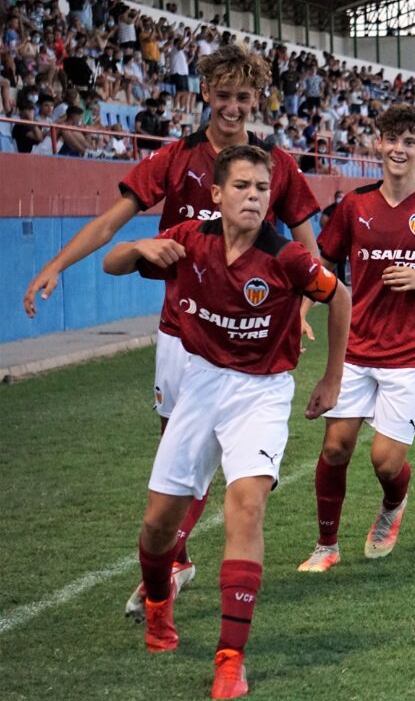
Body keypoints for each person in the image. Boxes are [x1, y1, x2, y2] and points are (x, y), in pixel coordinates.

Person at [22, 42, 323, 621]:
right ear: (205, 93)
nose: (233, 107)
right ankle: (176, 561)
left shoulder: (274, 165)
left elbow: (306, 244)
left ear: (256, 99)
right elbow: (114, 222)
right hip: (179, 333)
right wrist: (56, 266)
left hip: (248, 345)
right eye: (224, 95)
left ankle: (172, 562)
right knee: (175, 452)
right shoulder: (176, 157)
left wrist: (306, 305)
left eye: (243, 97)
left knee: (214, 460)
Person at [102, 144, 351, 699]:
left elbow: (339, 298)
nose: (254, 196)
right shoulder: (190, 243)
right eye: (241, 186)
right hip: (201, 383)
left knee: (246, 507)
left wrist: (332, 379)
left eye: (262, 188)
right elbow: (111, 264)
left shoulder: (286, 257)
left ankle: (230, 661)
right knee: (159, 524)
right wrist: (140, 245)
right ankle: (159, 604)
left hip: (261, 393)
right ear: (215, 194)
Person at [296, 103, 415, 572]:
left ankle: (393, 506)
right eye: (391, 139)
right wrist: (300, 311)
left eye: (409, 141)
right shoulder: (355, 206)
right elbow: (324, 270)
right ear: (378, 144)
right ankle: (326, 545)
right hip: (356, 346)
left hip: (412, 351)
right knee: (335, 448)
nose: (399, 149)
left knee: (385, 462)